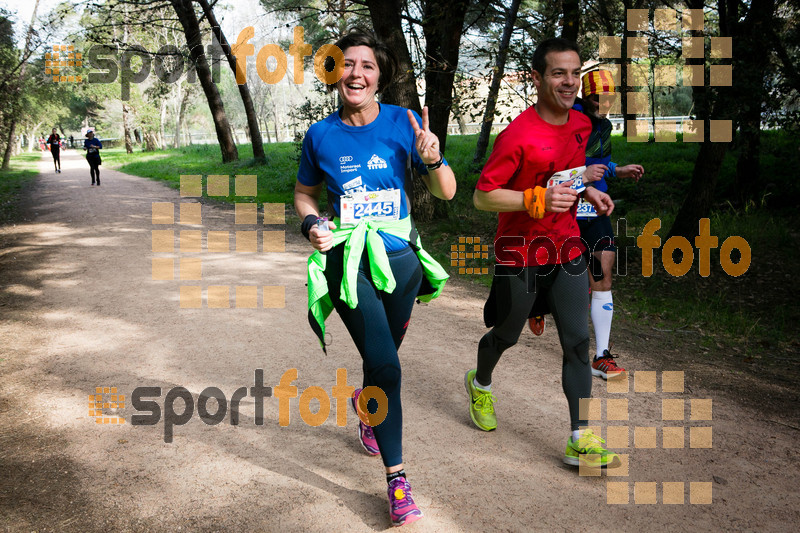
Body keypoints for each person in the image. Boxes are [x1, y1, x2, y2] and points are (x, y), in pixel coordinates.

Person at [294, 28, 456, 526]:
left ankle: (366, 404)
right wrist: (313, 223)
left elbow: (447, 191)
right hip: (349, 263)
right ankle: (397, 481)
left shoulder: (404, 123)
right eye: (347, 64)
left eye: (366, 65)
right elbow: (304, 195)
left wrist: (432, 158)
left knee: (383, 357)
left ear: (379, 76)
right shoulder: (320, 135)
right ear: (334, 73)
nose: (356, 73)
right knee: (386, 367)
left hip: (403, 262)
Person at [464, 38, 621, 470]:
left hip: (568, 245)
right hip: (521, 252)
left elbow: (563, 175)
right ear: (537, 77)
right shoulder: (518, 134)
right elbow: (483, 197)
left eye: (574, 73)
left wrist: (585, 189)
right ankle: (480, 383)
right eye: (558, 73)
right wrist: (534, 198)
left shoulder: (581, 125)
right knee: (506, 335)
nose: (569, 82)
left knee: (577, 341)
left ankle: (579, 436)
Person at [527, 70, 644, 382]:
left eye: (609, 99)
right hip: (564, 206)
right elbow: (553, 167)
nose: (603, 104)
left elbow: (600, 162)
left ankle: (601, 356)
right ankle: (536, 301)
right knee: (556, 270)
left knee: (603, 269)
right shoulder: (566, 119)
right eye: (597, 98)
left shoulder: (604, 126)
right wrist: (583, 181)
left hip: (594, 209)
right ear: (584, 95)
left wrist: (617, 171)